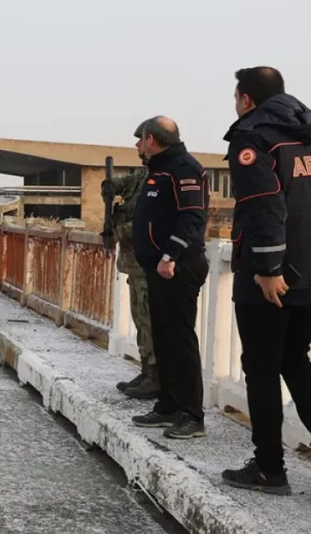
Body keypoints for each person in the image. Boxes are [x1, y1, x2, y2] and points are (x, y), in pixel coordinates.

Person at [220, 67, 311, 497]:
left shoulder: (253, 136)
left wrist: (269, 269)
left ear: (247, 98)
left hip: (271, 276)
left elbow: (262, 205)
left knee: (261, 367)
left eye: (236, 96)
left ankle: (270, 469)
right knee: (295, 358)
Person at [129, 116, 209, 440]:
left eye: (139, 140)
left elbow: (192, 217)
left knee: (180, 339)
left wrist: (170, 255)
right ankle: (168, 405)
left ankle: (192, 414)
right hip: (158, 268)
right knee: (163, 337)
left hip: (178, 266)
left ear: (151, 139)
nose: (136, 146)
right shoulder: (159, 170)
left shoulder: (184, 168)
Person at [102, 125, 158, 400]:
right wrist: (109, 186)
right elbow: (122, 183)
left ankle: (156, 375)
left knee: (149, 318)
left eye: (140, 140)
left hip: (149, 263)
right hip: (135, 263)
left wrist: (119, 231)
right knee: (139, 317)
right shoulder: (141, 176)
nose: (137, 146)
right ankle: (147, 370)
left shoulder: (159, 176)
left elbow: (150, 221)